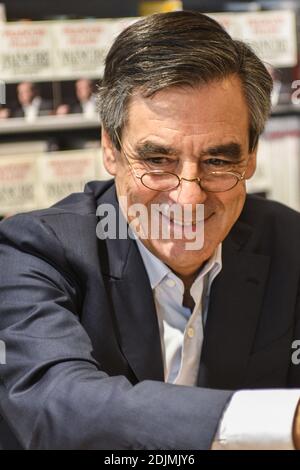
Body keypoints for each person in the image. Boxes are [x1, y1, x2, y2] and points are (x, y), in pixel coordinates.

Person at [0, 11, 300, 450]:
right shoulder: (37, 250)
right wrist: (285, 419)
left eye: (219, 161)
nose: (189, 199)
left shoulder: (291, 243)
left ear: (252, 156)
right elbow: (56, 404)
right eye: (157, 161)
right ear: (110, 148)